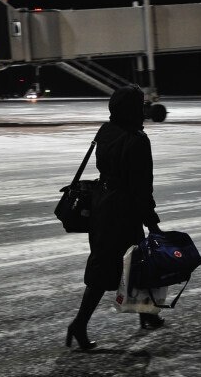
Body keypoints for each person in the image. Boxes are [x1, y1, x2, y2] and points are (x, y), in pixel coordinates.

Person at [66, 84, 165, 351]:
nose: (143, 110)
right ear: (132, 109)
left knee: (127, 263)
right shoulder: (137, 140)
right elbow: (141, 187)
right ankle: (79, 324)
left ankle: (147, 314)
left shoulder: (106, 130)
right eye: (140, 105)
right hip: (124, 211)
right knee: (114, 268)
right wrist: (152, 221)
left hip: (102, 204)